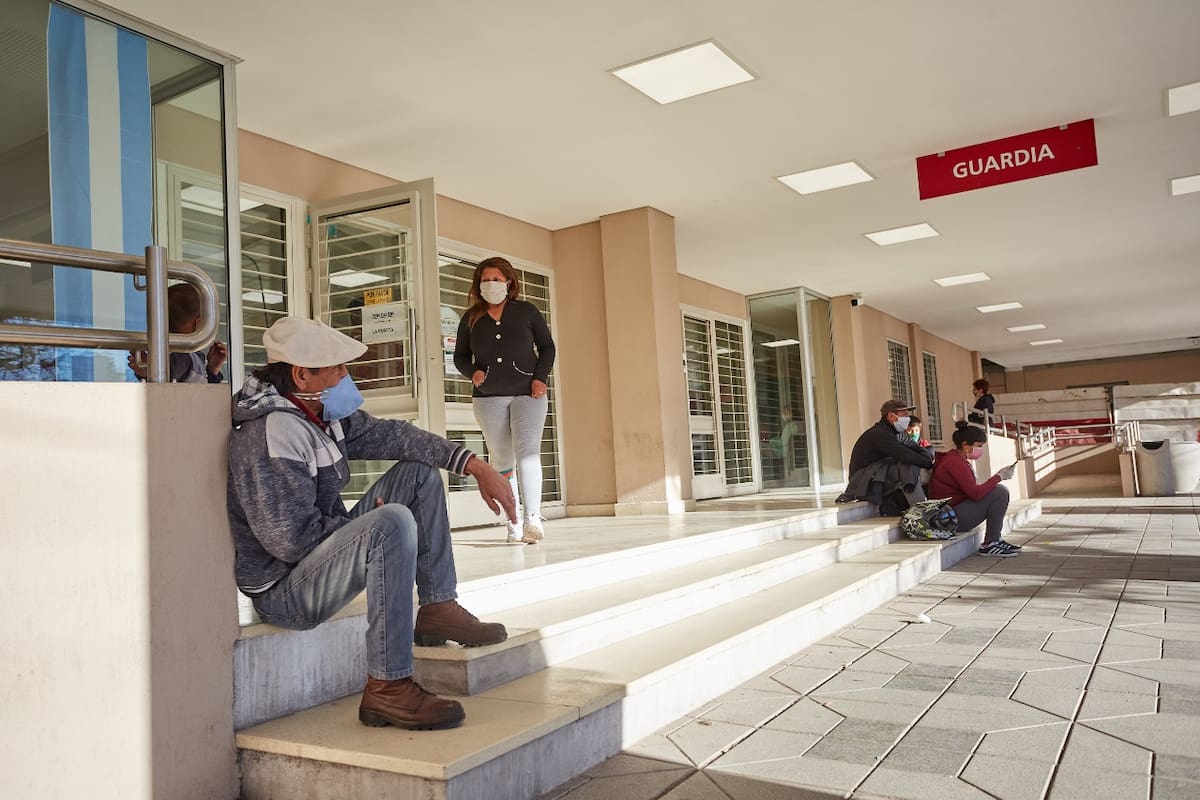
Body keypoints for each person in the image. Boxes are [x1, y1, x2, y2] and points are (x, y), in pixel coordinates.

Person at [227, 316, 516, 731]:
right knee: (390, 523)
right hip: (284, 591)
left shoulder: (319, 413)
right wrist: (357, 529)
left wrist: (471, 464)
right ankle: (387, 685)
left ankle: (437, 606)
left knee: (419, 475)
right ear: (302, 375)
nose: (347, 377)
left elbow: (394, 436)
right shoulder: (271, 432)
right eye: (338, 369)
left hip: (315, 560)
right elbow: (289, 541)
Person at [453, 256, 556, 544]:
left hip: (528, 392)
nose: (491, 284)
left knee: (528, 451)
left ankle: (532, 519)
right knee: (502, 458)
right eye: (486, 280)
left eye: (497, 279)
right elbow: (460, 356)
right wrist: (472, 372)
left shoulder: (526, 312)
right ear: (478, 284)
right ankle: (513, 520)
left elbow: (547, 347)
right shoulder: (471, 318)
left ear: (509, 282)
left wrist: (540, 378)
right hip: (488, 397)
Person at [929, 422, 1020, 557]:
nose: (980, 450)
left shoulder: (956, 459)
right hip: (951, 517)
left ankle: (995, 540)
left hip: (952, 513)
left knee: (998, 491)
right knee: (999, 493)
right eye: (978, 446)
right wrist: (998, 477)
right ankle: (991, 542)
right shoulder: (954, 462)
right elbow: (976, 494)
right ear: (966, 445)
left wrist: (997, 478)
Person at [838, 400, 934, 513]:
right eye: (904, 414)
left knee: (919, 459)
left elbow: (915, 447)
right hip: (864, 480)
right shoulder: (880, 434)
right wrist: (929, 463)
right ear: (891, 416)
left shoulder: (895, 433)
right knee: (907, 465)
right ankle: (921, 511)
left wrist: (928, 456)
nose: (907, 418)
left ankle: (925, 506)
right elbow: (905, 455)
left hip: (878, 474)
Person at [127, 282, 228, 383]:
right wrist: (149, 369)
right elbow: (170, 369)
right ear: (199, 323)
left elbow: (204, 391)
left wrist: (212, 371)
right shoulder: (183, 356)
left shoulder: (190, 356)